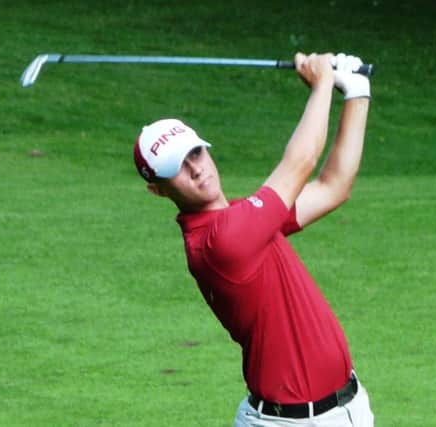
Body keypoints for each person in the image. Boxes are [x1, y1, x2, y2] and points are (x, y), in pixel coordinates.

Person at [133, 52, 374, 427]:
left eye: (195, 152)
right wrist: (323, 81)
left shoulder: (246, 218)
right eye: (176, 167)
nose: (195, 168)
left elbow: (333, 187)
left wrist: (357, 92)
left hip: (349, 408)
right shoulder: (222, 241)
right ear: (158, 190)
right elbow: (301, 161)